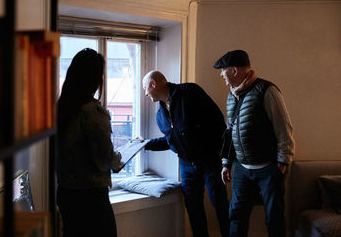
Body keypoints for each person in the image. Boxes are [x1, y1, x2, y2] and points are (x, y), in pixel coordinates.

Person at [213, 50, 295, 237]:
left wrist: (283, 161)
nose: (221, 74)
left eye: (223, 70)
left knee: (274, 218)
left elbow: (283, 127)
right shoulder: (231, 96)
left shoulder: (267, 90)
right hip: (242, 168)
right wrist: (226, 162)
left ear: (234, 70)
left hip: (269, 167)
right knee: (236, 216)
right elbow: (231, 132)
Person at [142, 70, 230, 237]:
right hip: (186, 165)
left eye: (145, 88)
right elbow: (170, 141)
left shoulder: (189, 92)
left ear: (153, 84)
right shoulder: (160, 115)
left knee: (219, 203)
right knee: (193, 208)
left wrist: (220, 152)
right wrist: (144, 144)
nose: (145, 93)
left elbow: (217, 120)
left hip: (209, 159)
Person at [57, 48, 122, 237]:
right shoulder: (92, 111)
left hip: (65, 194)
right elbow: (104, 159)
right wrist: (119, 158)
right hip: (91, 198)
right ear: (94, 79)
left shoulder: (61, 109)